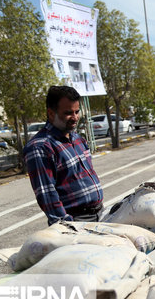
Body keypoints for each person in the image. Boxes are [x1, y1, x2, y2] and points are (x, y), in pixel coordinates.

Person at [24, 86, 103, 225]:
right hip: (76, 222)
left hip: (99, 213)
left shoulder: (78, 139)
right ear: (51, 113)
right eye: (68, 113)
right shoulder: (40, 147)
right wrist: (67, 226)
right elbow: (46, 194)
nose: (75, 117)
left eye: (77, 112)